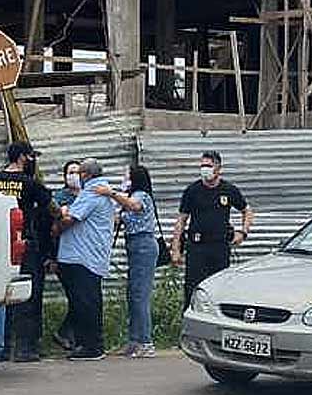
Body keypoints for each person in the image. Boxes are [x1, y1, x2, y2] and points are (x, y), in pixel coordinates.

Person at [0, 142, 53, 363]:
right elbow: (50, 207)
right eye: (32, 156)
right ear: (24, 158)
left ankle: (0, 347)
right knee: (28, 295)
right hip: (24, 244)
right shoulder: (30, 183)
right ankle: (26, 348)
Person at [171, 151, 254, 313]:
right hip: (197, 248)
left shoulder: (229, 190)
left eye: (208, 165)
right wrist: (176, 249)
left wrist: (243, 232)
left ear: (218, 168)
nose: (205, 169)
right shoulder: (192, 191)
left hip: (220, 247)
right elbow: (181, 220)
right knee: (193, 290)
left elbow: (247, 211)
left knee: (219, 289)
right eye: (202, 165)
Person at [96, 165, 158, 358]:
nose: (124, 179)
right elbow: (117, 218)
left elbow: (134, 206)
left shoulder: (141, 195)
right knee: (132, 295)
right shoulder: (129, 198)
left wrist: (111, 193)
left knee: (140, 295)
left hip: (144, 245)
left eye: (127, 176)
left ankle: (146, 342)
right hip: (134, 246)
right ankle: (134, 341)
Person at [56, 158, 116, 361]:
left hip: (83, 257)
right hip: (91, 255)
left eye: (79, 173)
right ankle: (89, 343)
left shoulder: (91, 193)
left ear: (86, 175)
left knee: (85, 303)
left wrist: (59, 218)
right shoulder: (100, 190)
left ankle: (91, 346)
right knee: (88, 301)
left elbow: (70, 220)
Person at [50, 160, 82, 350]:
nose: (74, 175)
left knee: (80, 297)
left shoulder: (88, 195)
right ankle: (65, 334)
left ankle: (68, 335)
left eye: (77, 172)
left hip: (84, 253)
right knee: (76, 296)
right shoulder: (60, 196)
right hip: (64, 253)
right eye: (70, 172)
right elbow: (57, 220)